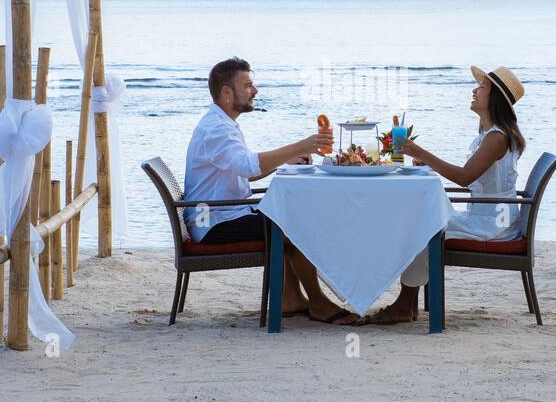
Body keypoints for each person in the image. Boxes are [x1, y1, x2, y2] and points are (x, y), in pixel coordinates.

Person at [184, 57, 358, 324]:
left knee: (289, 216)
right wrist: (302, 146)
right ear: (227, 92)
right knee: (297, 225)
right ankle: (318, 303)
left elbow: (246, 171)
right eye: (248, 85)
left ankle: (290, 299)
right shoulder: (216, 129)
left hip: (222, 213)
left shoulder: (222, 124)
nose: (255, 91)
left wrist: (285, 161)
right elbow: (247, 164)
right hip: (214, 222)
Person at [369, 65, 527, 324]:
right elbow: (473, 180)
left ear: (496, 98)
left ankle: (404, 304)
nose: (475, 90)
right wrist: (429, 163)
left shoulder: (496, 139)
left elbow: (465, 177)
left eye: (482, 87)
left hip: (493, 225)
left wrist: (420, 153)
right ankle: (406, 304)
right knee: (420, 221)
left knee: (422, 225)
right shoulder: (490, 135)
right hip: (489, 216)